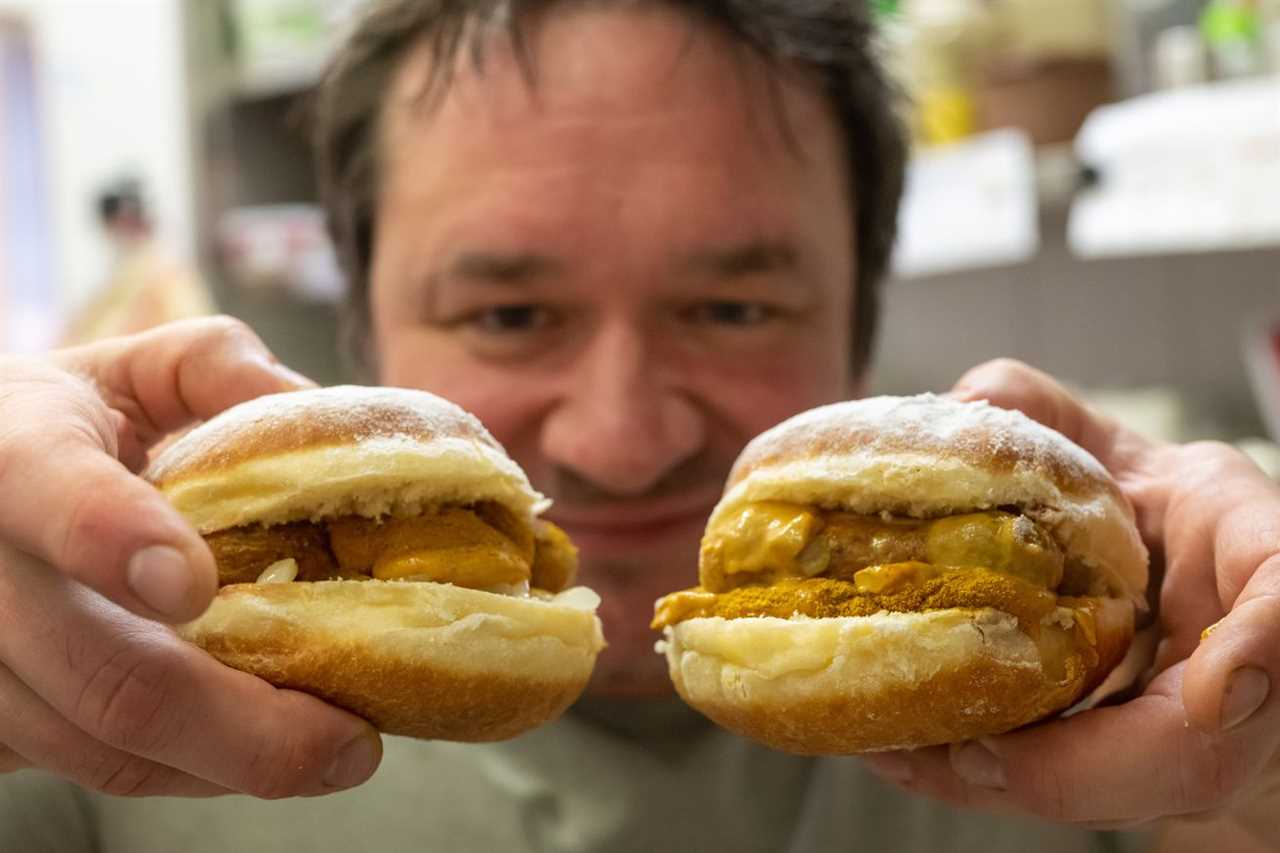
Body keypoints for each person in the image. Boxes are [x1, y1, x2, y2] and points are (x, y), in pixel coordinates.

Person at [0, 1, 1277, 851]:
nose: (618, 438)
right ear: (366, 345)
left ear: (863, 323)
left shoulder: (1140, 688)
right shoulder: (88, 686)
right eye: (507, 313)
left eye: (730, 305)